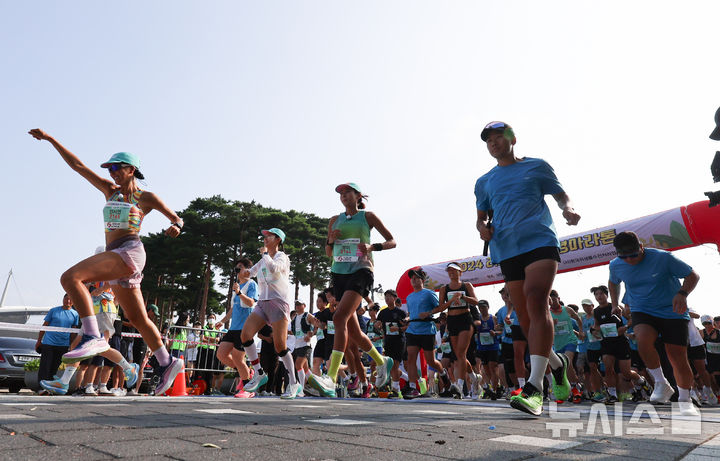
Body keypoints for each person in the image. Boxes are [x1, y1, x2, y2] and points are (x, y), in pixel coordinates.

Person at [29, 129, 184, 396]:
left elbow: (176, 218)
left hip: (130, 251)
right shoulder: (109, 190)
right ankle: (167, 362)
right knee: (137, 318)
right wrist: (52, 140)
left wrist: (176, 226)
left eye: (117, 168)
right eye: (109, 168)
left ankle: (91, 335)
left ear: (132, 169)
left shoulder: (145, 198)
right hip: (116, 255)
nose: (112, 172)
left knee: (70, 278)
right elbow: (78, 166)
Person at [475, 121, 581, 415]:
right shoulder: (484, 181)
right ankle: (558, 366)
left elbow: (561, 194)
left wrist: (567, 208)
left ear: (513, 139)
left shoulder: (537, 166)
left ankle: (535, 387)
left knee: (537, 301)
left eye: (499, 137)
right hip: (506, 248)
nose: (494, 143)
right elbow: (481, 217)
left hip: (539, 240)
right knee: (526, 319)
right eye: (489, 140)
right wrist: (482, 228)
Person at [308, 183, 396, 398]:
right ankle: (381, 361)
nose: (344, 196)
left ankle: (330, 378)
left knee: (338, 318)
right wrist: (331, 239)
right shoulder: (333, 220)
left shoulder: (368, 217)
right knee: (354, 332)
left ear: (358, 196)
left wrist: (372, 247)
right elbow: (329, 251)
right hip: (339, 274)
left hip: (361, 271)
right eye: (341, 193)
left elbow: (392, 241)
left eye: (348, 192)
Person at [608, 231, 700, 415]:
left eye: (634, 255)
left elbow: (693, 276)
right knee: (642, 340)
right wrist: (615, 302)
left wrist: (682, 294)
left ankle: (685, 399)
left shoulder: (663, 258)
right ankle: (660, 383)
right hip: (643, 309)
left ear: (641, 247)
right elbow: (613, 283)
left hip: (672, 310)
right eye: (624, 256)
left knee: (677, 357)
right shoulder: (616, 265)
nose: (630, 260)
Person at [239, 228, 301, 399]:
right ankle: (259, 373)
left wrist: (265, 255)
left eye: (269, 236)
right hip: (262, 303)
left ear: (278, 240)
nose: (265, 238)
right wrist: (245, 273)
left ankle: (294, 383)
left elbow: (274, 269)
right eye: (264, 236)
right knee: (246, 335)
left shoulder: (282, 257)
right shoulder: (262, 260)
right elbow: (250, 274)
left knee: (280, 346)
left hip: (279, 303)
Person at [590, 285, 651, 404]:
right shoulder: (596, 311)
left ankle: (642, 382)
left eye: (601, 294)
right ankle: (612, 395)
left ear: (607, 295)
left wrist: (626, 327)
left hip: (621, 342)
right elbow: (596, 324)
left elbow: (632, 319)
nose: (599, 296)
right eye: (596, 294)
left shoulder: (616, 307)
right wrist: (594, 330)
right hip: (606, 343)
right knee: (608, 368)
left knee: (625, 372)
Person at [215, 258, 259, 398]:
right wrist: (222, 321)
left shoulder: (251, 284)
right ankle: (247, 373)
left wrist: (240, 293)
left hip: (245, 328)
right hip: (233, 328)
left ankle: (248, 388)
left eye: (239, 267)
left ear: (247, 270)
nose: (236, 270)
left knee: (238, 358)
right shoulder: (237, 286)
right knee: (221, 355)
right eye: (236, 268)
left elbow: (251, 302)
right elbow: (233, 309)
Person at [436, 262, 479, 398]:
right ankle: (474, 377)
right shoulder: (444, 288)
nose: (451, 273)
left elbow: (476, 301)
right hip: (452, 321)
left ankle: (459, 385)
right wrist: (451, 301)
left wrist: (463, 297)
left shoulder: (466, 285)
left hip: (465, 319)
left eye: (454, 271)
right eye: (449, 271)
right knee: (459, 355)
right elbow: (440, 308)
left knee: (461, 352)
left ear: (460, 273)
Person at [407, 268, 451, 399]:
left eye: (416, 278)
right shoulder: (409, 297)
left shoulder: (429, 293)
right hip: (412, 330)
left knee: (431, 361)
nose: (413, 280)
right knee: (411, 359)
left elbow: (440, 308)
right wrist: (406, 319)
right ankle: (413, 388)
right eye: (412, 278)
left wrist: (428, 313)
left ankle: (444, 375)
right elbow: (411, 313)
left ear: (422, 280)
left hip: (427, 330)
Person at [36, 294, 80, 387]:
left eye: (70, 299)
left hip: (63, 345)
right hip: (49, 343)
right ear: (63, 299)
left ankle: (50, 387)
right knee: (45, 367)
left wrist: (72, 347)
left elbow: (73, 332)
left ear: (73, 302)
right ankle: (41, 388)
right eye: (66, 299)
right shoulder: (53, 311)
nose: (68, 301)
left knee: (54, 368)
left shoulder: (75, 314)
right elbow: (44, 326)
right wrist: (39, 341)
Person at [375, 290, 408, 398]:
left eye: (389, 297)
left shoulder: (400, 313)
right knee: (392, 367)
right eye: (386, 297)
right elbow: (377, 323)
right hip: (387, 342)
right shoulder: (383, 312)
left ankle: (395, 390)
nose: (387, 299)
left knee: (394, 365)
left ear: (395, 298)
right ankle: (408, 378)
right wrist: (377, 325)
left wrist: (398, 329)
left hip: (399, 341)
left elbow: (407, 327)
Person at [289, 300, 316, 395]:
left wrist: (311, 334)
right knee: (306, 370)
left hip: (306, 346)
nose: (297, 306)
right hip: (297, 346)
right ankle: (318, 386)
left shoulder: (308, 315)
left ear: (304, 305)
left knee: (298, 365)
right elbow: (294, 332)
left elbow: (317, 324)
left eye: (299, 304)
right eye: (296, 304)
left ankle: (301, 390)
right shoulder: (295, 318)